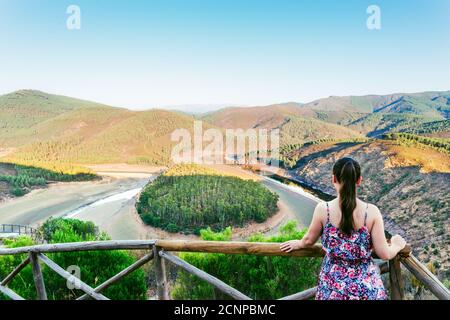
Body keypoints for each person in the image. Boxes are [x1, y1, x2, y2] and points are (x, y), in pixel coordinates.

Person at [280, 157, 406, 300]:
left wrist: (299, 243)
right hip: (365, 289)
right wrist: (396, 245)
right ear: (359, 180)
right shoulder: (371, 212)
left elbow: (309, 240)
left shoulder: (324, 210)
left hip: (332, 288)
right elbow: (384, 253)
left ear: (334, 179)